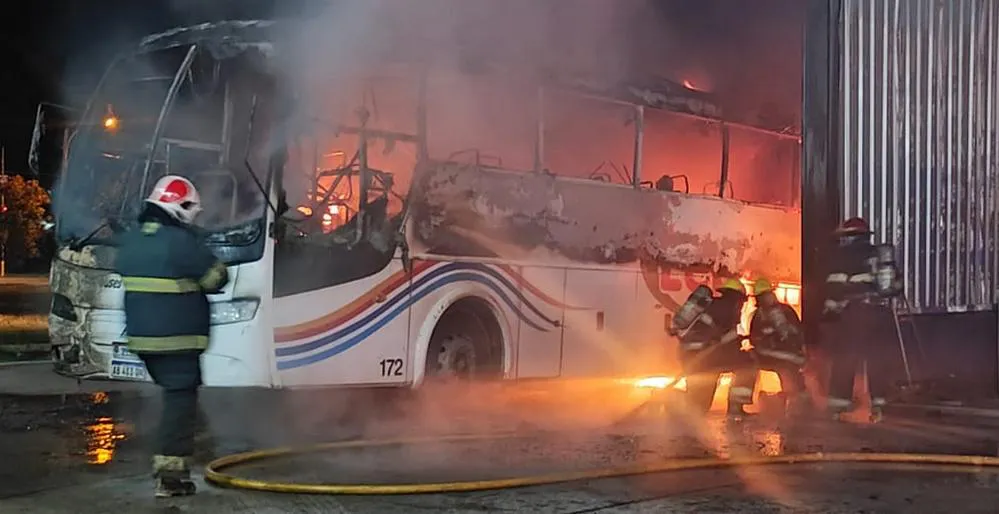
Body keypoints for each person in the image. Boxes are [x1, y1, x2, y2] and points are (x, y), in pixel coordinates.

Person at [115, 175, 229, 497]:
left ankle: (179, 453)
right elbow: (216, 278)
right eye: (192, 210)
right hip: (177, 339)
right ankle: (171, 477)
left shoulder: (133, 240)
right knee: (180, 403)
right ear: (180, 207)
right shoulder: (181, 242)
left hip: (142, 339)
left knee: (175, 399)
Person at [821, 217, 900, 422]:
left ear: (851, 237)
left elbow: (835, 286)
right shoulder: (880, 255)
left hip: (857, 313)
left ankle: (839, 406)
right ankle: (880, 404)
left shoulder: (844, 256)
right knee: (879, 358)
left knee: (846, 356)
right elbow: (896, 286)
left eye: (844, 237)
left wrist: (830, 311)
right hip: (882, 313)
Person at [673, 278, 756, 417]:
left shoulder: (713, 305)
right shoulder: (728, 308)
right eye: (742, 301)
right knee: (748, 363)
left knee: (699, 406)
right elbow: (724, 340)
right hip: (706, 357)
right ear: (737, 298)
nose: (742, 305)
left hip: (689, 354)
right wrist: (739, 346)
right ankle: (736, 408)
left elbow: (719, 336)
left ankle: (675, 402)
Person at [748, 277, 809, 416]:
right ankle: (798, 407)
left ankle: (793, 404)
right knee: (792, 378)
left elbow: (754, 339)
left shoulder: (759, 315)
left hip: (775, 357)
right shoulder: (787, 309)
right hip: (792, 357)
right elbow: (799, 332)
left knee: (747, 362)